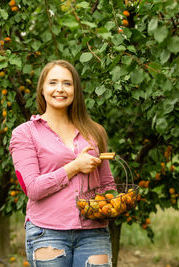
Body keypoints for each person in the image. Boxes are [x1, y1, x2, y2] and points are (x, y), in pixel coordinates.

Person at [9, 59, 114, 267]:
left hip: (94, 232)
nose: (60, 89)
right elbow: (33, 189)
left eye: (67, 83)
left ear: (75, 90)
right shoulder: (25, 133)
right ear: (42, 89)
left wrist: (111, 205)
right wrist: (75, 166)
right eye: (53, 83)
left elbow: (107, 184)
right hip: (47, 231)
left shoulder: (95, 132)